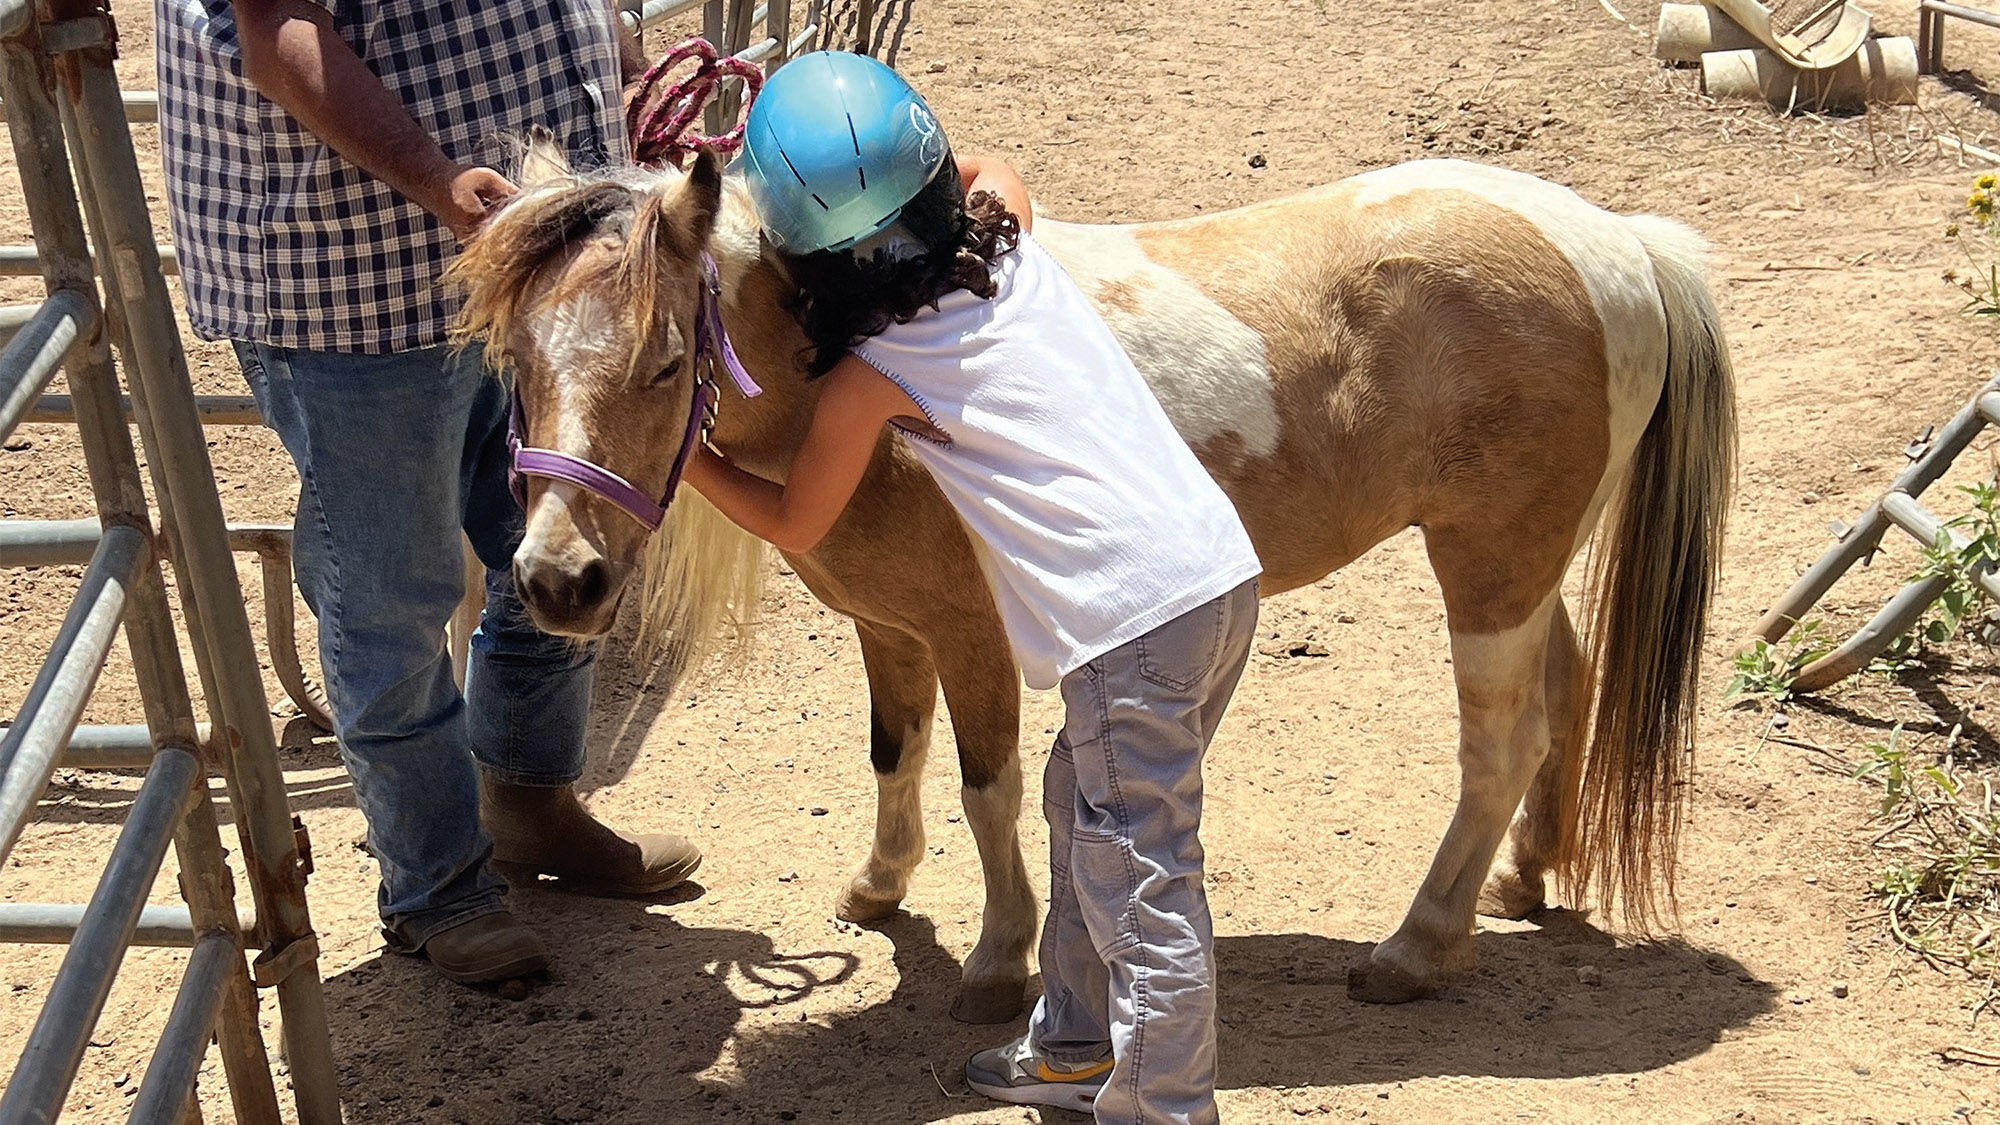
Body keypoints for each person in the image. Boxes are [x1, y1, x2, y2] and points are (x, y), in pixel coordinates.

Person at [695, 51, 1262, 1124]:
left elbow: (790, 520)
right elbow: (997, 168)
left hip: (1130, 626)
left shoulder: (872, 377)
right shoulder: (1006, 248)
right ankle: (1069, 1045)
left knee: (1145, 888)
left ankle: (1161, 1108)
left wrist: (685, 454)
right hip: (1213, 578)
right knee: (1077, 814)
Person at [154, 0, 702, 985]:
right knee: (390, 597)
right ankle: (435, 889)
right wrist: (433, 176)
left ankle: (529, 801)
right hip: (361, 272)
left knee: (555, 534)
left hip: (545, 252)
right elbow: (279, 25)